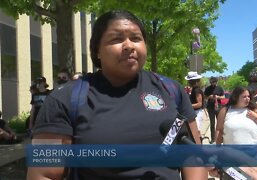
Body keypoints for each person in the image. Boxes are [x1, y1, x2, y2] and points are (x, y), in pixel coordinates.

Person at [27, 10, 207, 180]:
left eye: (136, 38)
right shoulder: (63, 99)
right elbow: (43, 174)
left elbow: (193, 156)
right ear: (97, 50)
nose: (129, 45)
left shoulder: (171, 90)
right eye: (116, 39)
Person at [204, 77, 224, 143]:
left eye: (214, 82)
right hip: (210, 108)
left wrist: (218, 97)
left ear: (216, 82)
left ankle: (221, 138)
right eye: (212, 82)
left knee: (220, 123)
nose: (213, 83)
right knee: (212, 123)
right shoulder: (207, 89)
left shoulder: (220, 88)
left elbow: (223, 97)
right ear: (210, 82)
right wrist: (209, 97)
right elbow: (204, 97)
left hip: (219, 107)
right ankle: (213, 139)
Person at [185, 71, 205, 139]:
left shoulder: (196, 90)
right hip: (195, 112)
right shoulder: (194, 90)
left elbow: (199, 104)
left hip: (197, 113)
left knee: (196, 131)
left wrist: (188, 105)